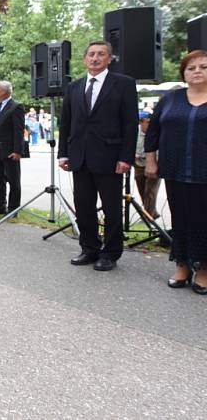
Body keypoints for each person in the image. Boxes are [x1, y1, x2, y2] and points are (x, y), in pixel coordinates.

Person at [58, 40, 138, 272]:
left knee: (112, 207)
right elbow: (66, 123)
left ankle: (110, 253)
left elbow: (130, 124)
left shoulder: (123, 84)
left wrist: (125, 157)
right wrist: (63, 153)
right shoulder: (74, 87)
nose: (95, 58)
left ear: (109, 59)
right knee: (83, 206)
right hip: (79, 157)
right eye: (91, 54)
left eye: (101, 54)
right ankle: (89, 248)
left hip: (110, 157)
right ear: (84, 59)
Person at [144, 50, 207, 294]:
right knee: (180, 218)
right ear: (184, 73)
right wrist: (150, 160)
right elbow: (153, 133)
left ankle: (203, 269)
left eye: (203, 66)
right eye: (191, 68)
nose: (197, 71)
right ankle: (182, 264)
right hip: (175, 170)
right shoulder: (171, 99)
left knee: (204, 220)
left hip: (204, 172)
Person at [0, 80, 24, 214]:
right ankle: (0, 206)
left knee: (14, 181)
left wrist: (18, 151)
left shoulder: (16, 106)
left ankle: (13, 209)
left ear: (5, 92)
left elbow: (18, 131)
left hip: (9, 151)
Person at [133, 111, 160, 218]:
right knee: (142, 189)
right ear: (140, 122)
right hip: (139, 164)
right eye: (146, 122)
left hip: (155, 165)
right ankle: (151, 212)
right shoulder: (135, 133)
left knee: (150, 191)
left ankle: (148, 217)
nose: (148, 124)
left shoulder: (156, 132)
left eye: (150, 121)